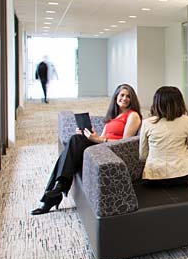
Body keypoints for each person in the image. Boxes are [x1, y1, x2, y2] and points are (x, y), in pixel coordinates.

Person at [30, 84, 142, 215]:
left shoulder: (132, 115)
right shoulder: (114, 115)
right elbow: (103, 136)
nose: (124, 98)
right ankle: (59, 186)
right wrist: (90, 134)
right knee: (74, 141)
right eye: (122, 95)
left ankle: (54, 195)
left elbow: (125, 143)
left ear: (132, 99)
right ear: (116, 96)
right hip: (102, 147)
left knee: (72, 146)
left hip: (112, 152)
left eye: (128, 96)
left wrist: (100, 140)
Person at [139, 86, 188, 187]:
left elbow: (142, 156)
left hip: (155, 175)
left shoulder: (147, 123)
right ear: (180, 103)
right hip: (184, 174)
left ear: (156, 103)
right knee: (186, 182)